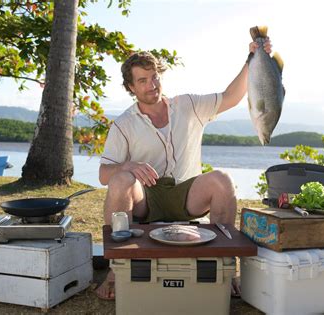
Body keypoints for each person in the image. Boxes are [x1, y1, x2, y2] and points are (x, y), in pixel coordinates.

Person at [95, 38, 272, 300]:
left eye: (154, 77)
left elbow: (231, 97)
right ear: (131, 87)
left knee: (222, 179)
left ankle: (226, 269)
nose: (151, 85)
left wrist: (252, 60)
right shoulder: (123, 124)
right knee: (121, 180)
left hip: (187, 195)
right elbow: (103, 175)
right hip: (147, 198)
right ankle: (115, 272)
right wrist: (128, 166)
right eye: (142, 80)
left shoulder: (187, 105)